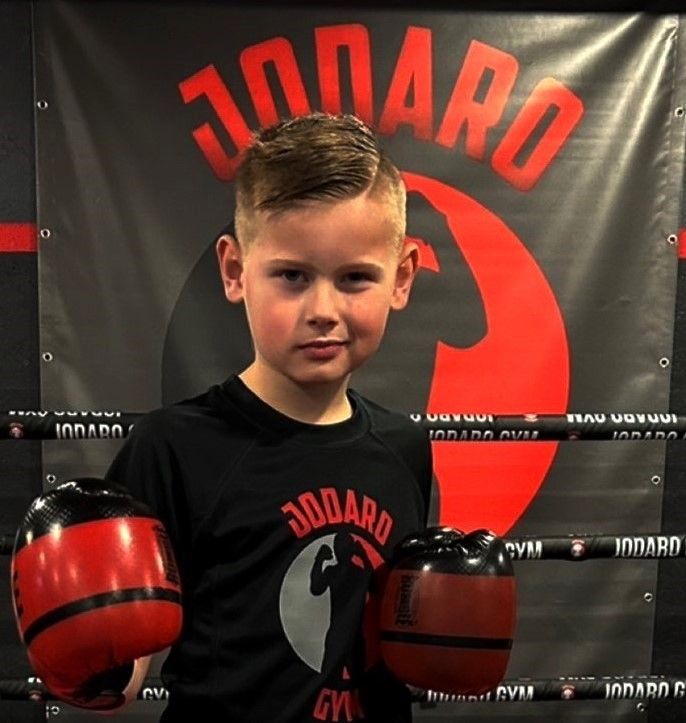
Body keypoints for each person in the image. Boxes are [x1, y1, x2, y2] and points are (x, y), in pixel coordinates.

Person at [105, 112, 433, 722]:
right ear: (235, 272)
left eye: (355, 278)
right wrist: (87, 651)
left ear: (402, 277)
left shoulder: (405, 446)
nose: (323, 309)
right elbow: (119, 675)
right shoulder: (173, 447)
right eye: (292, 276)